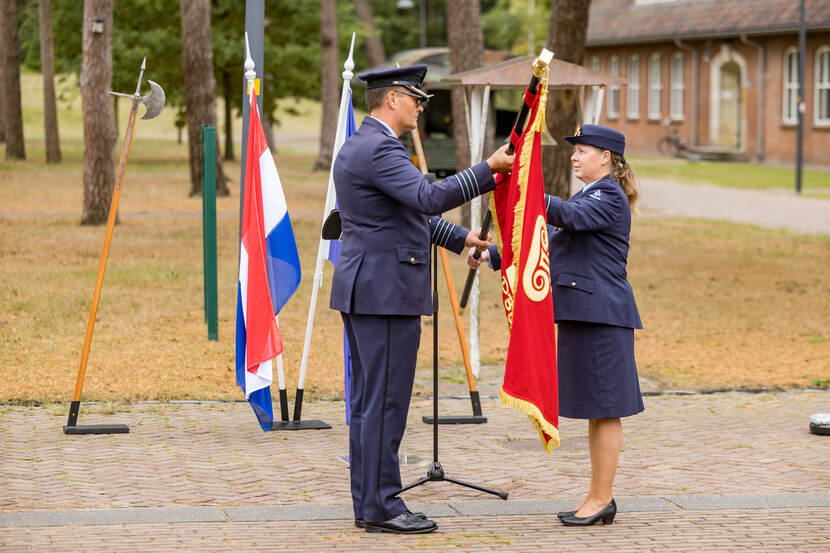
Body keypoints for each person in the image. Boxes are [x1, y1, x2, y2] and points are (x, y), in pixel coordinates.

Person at [330, 64, 514, 535]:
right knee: (385, 403)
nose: (420, 107)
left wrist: (460, 239)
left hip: (370, 290)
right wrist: (488, 171)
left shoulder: (365, 144)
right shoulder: (380, 149)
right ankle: (383, 506)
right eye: (416, 98)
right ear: (392, 99)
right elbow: (426, 198)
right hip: (384, 295)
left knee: (372, 402)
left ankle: (368, 502)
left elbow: (406, 213)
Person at [468, 124, 642, 527]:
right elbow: (553, 241)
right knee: (597, 410)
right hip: (586, 313)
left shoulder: (609, 197)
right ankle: (598, 496)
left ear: (606, 158)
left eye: (583, 150)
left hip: (603, 315)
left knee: (606, 409)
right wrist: (493, 256)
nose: (574, 157)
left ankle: (602, 498)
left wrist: (525, 186)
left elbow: (563, 215)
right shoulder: (592, 195)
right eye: (574, 151)